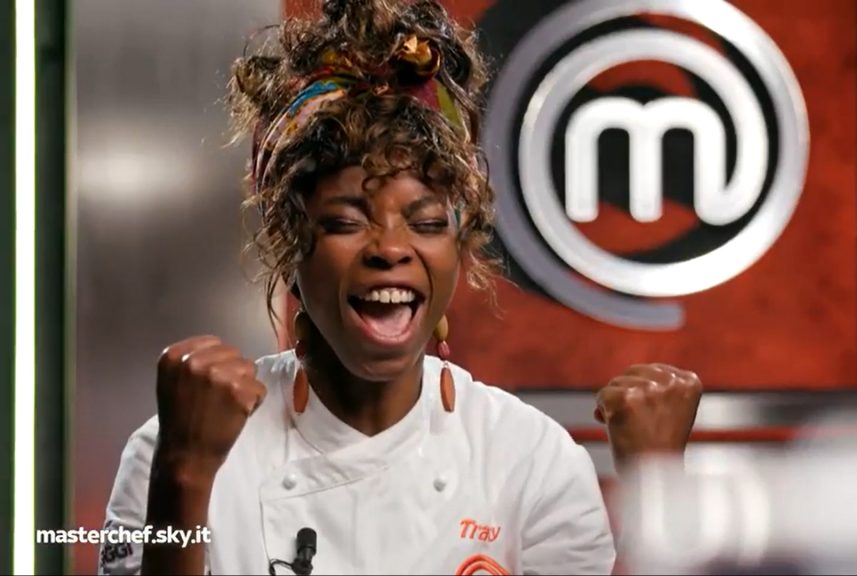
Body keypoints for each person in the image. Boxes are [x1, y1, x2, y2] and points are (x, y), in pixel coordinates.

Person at [100, 1, 702, 574]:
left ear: (461, 245)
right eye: (346, 221)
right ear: (289, 242)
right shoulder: (169, 452)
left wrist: (658, 487)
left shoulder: (529, 460)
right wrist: (185, 476)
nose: (390, 249)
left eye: (427, 223)